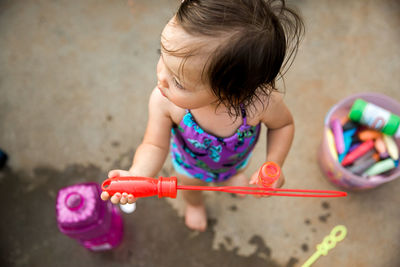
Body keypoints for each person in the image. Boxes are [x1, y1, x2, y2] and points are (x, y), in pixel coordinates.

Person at [101, 0, 304, 231]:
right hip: (190, 167)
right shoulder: (165, 101)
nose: (161, 77)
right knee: (191, 186)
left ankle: (228, 179)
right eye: (162, 55)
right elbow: (154, 145)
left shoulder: (262, 103)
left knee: (236, 174)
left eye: (178, 81)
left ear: (233, 95)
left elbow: (283, 125)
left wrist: (273, 163)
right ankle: (195, 204)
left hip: (235, 161)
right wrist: (138, 174)